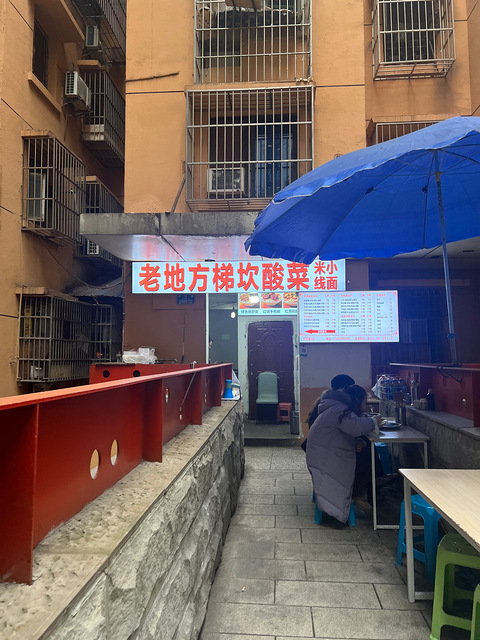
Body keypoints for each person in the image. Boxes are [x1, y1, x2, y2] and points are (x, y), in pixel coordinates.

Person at [306, 384, 381, 526]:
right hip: (326, 458)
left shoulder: (336, 408)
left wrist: (357, 441)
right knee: (366, 462)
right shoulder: (340, 410)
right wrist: (373, 421)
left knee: (366, 456)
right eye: (364, 403)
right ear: (357, 400)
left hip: (324, 454)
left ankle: (364, 496)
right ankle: (361, 497)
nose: (365, 407)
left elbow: (344, 432)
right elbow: (357, 427)